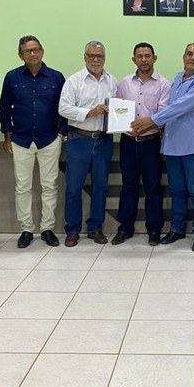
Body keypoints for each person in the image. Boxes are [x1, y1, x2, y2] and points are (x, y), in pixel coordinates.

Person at [131, 43, 194, 252]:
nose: (192, 58)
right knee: (176, 190)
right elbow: (169, 107)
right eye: (189, 54)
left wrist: (153, 120)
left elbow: (180, 107)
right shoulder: (178, 78)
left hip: (192, 145)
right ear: (183, 56)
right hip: (172, 144)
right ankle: (177, 229)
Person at [0, 35, 66, 249]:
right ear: (21, 55)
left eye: (36, 49)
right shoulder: (12, 77)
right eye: (27, 51)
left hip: (49, 139)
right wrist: (7, 135)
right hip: (21, 140)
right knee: (22, 187)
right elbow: (4, 108)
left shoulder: (56, 77)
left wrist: (61, 134)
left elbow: (64, 108)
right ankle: (26, 229)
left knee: (49, 186)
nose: (33, 53)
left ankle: (47, 229)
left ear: (42, 51)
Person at [59, 41, 118, 247]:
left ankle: (95, 228)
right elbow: (63, 108)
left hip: (103, 140)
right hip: (79, 139)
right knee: (73, 188)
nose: (95, 59)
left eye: (99, 56)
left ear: (104, 58)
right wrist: (88, 113)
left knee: (100, 187)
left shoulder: (113, 82)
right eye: (91, 56)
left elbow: (119, 110)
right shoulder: (74, 81)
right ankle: (72, 230)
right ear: (84, 57)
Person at [114, 42, 171, 246]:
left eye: (148, 56)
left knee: (153, 187)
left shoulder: (164, 84)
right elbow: (117, 110)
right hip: (128, 142)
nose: (144, 59)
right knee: (128, 186)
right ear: (134, 59)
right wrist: (123, 126)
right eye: (140, 56)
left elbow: (163, 113)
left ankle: (154, 230)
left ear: (155, 58)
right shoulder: (124, 83)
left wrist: (146, 126)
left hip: (151, 143)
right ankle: (124, 228)